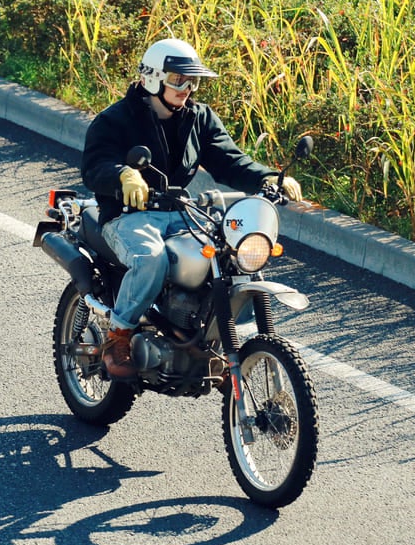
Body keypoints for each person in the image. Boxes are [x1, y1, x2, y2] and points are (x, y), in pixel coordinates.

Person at [81, 37, 302, 379]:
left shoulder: (198, 118)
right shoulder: (116, 119)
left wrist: (267, 177)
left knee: (228, 252)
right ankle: (119, 335)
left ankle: (206, 333)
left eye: (192, 81)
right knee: (150, 259)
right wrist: (123, 175)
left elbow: (229, 159)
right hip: (128, 217)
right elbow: (95, 165)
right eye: (177, 80)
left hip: (180, 212)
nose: (186, 88)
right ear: (153, 78)